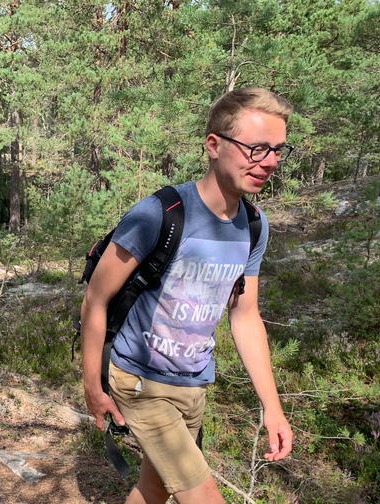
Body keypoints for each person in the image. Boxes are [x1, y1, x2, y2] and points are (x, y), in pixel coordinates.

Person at [81, 88, 294, 504]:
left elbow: (245, 315)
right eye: (256, 149)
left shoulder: (254, 225)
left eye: (277, 150)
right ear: (214, 145)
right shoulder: (158, 214)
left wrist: (272, 406)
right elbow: (96, 299)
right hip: (141, 381)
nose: (269, 162)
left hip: (194, 383)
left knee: (154, 489)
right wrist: (93, 383)